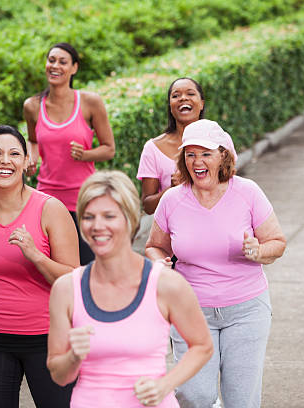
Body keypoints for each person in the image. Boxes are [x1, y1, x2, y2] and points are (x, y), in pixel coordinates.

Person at [145, 119, 287, 408]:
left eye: (205, 153)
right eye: (190, 154)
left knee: (241, 400)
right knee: (194, 396)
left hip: (246, 310)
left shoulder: (247, 192)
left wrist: (258, 251)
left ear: (223, 155)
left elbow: (277, 242)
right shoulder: (172, 199)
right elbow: (154, 246)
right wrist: (159, 263)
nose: (197, 161)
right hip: (190, 311)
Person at [47, 170, 213, 408]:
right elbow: (58, 374)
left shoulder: (166, 284)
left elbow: (202, 346)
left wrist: (165, 385)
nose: (97, 226)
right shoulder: (66, 289)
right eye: (89, 217)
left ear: (130, 219)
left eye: (109, 216)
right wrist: (73, 356)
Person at [0, 125, 79, 408]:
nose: (4, 160)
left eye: (14, 153)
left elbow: (73, 277)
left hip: (49, 339)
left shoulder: (50, 209)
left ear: (26, 161)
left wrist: (36, 255)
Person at [24, 42, 115, 265]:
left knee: (86, 268)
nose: (55, 66)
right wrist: (31, 156)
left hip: (83, 200)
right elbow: (33, 140)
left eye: (62, 62)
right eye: (51, 60)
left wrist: (85, 155)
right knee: (50, 268)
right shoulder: (32, 106)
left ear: (74, 68)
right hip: (47, 199)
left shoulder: (90, 102)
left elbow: (109, 149)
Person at [137, 77, 205, 215]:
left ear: (202, 103)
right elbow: (148, 207)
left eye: (190, 94)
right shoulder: (153, 148)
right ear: (170, 106)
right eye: (176, 95)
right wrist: (172, 189)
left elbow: (231, 188)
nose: (183, 98)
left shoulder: (220, 140)